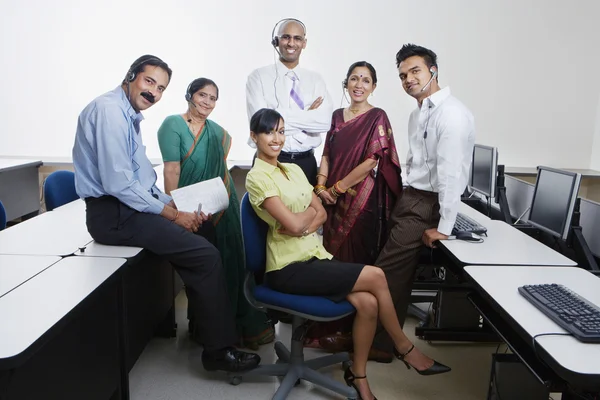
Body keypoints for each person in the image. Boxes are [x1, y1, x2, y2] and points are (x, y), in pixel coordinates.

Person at [72, 55, 260, 373]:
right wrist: (173, 217)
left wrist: (172, 205)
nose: (153, 93)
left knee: (205, 234)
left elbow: (142, 178)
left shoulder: (127, 114)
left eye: (160, 88)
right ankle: (218, 350)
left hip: (129, 208)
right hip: (115, 215)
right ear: (131, 75)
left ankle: (206, 328)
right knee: (205, 255)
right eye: (149, 82)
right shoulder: (109, 111)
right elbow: (119, 184)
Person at [245, 108, 450, 400]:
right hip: (287, 268)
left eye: (280, 131)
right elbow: (295, 221)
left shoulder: (292, 169)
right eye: (268, 132)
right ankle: (405, 347)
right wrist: (303, 220)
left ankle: (358, 375)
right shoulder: (256, 177)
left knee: (367, 303)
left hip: (314, 256)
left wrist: (302, 224)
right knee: (376, 275)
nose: (276, 138)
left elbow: (319, 215)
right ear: (254, 137)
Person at [370, 44, 476, 356]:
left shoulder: (452, 115)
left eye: (415, 71)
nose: (408, 79)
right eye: (402, 75)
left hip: (426, 204)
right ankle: (383, 343)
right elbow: (417, 163)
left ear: (433, 71)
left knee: (383, 275)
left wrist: (444, 226)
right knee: (396, 275)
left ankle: (374, 344)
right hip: (412, 197)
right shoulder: (420, 114)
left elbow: (450, 175)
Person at [156, 77, 274, 349]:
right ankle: (205, 327)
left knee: (227, 261)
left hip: (221, 205)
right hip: (188, 208)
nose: (207, 102)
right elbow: (171, 170)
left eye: (213, 97)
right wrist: (177, 208)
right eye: (202, 95)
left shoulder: (217, 132)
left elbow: (219, 169)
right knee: (202, 268)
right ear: (189, 95)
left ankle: (229, 325)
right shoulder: (172, 125)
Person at [309, 62, 404, 361]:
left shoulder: (377, 116)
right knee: (331, 257)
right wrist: (321, 184)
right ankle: (326, 329)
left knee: (354, 258)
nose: (359, 84)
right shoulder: (337, 116)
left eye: (365, 80)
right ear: (346, 84)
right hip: (330, 197)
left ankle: (354, 331)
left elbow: (372, 162)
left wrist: (336, 189)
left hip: (361, 201)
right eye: (354, 79)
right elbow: (327, 152)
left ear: (374, 86)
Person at [245, 18, 332, 186]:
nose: (291, 43)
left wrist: (276, 116)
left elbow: (325, 122)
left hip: (306, 163)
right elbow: (262, 125)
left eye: (297, 38)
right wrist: (308, 116)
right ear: (276, 41)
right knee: (270, 213)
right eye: (286, 37)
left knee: (308, 211)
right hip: (270, 161)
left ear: (304, 43)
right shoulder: (258, 77)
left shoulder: (316, 80)